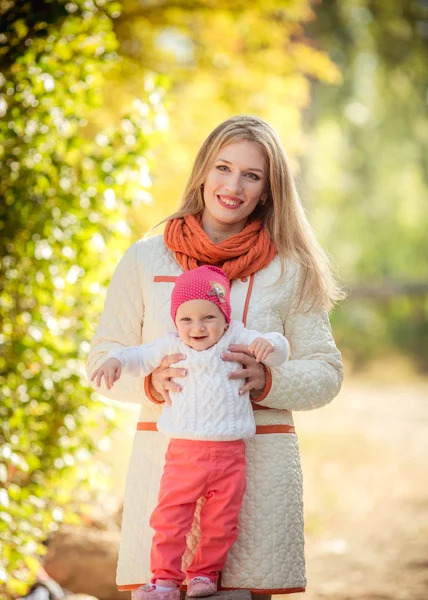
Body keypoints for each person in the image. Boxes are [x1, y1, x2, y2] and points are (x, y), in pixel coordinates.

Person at [86, 115, 344, 599]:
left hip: (260, 468)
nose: (233, 185)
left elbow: (327, 371)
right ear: (203, 171)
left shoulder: (291, 268)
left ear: (268, 190)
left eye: (252, 175)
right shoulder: (145, 259)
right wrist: (149, 383)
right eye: (223, 168)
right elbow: (103, 359)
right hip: (167, 464)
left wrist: (268, 380)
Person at [90, 265, 290, 599]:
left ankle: (204, 575)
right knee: (170, 518)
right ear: (175, 321)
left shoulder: (237, 338)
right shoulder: (172, 346)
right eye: (186, 319)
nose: (197, 327)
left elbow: (280, 347)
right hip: (184, 454)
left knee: (222, 523)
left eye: (208, 317)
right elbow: (137, 356)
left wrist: (270, 346)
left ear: (224, 317)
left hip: (230, 455)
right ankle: (165, 581)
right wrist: (115, 361)